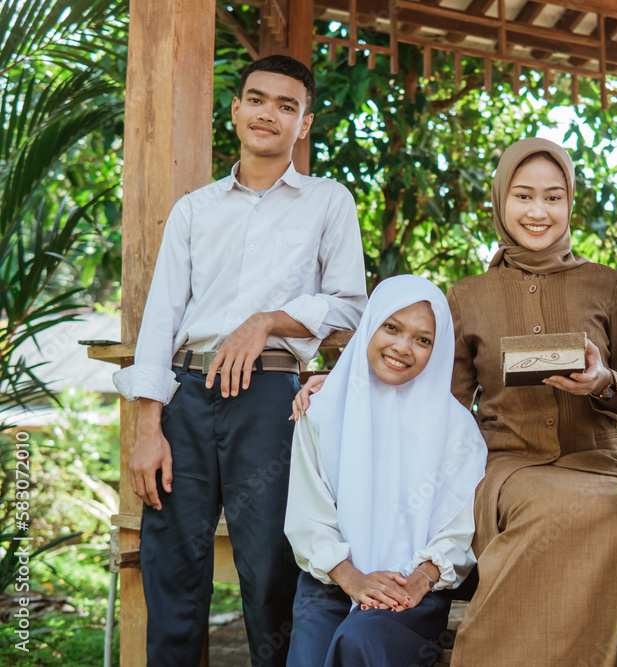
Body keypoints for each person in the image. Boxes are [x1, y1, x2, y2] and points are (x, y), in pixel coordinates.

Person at [112, 54, 367, 666]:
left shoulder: (328, 203)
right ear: (236, 109)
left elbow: (352, 308)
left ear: (304, 124)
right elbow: (161, 322)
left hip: (272, 402)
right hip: (186, 399)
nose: (268, 114)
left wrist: (268, 321)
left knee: (271, 573)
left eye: (287, 106)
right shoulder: (195, 209)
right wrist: (150, 428)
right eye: (257, 99)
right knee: (171, 568)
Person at [446, 137, 617, 667]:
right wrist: (341, 381)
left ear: (570, 203)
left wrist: (604, 383)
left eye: (553, 198)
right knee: (547, 505)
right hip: (511, 464)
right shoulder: (467, 296)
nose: (538, 212)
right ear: (501, 201)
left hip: (601, 461)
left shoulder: (607, 285)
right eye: (524, 196)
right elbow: (442, 402)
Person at [283, 274, 487, 667]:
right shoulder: (322, 411)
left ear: (438, 349)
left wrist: (420, 579)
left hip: (410, 592)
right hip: (331, 582)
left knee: (362, 640)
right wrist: (353, 579)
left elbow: (458, 531)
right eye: (391, 327)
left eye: (423, 339)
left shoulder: (459, 430)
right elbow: (308, 517)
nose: (402, 347)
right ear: (370, 325)